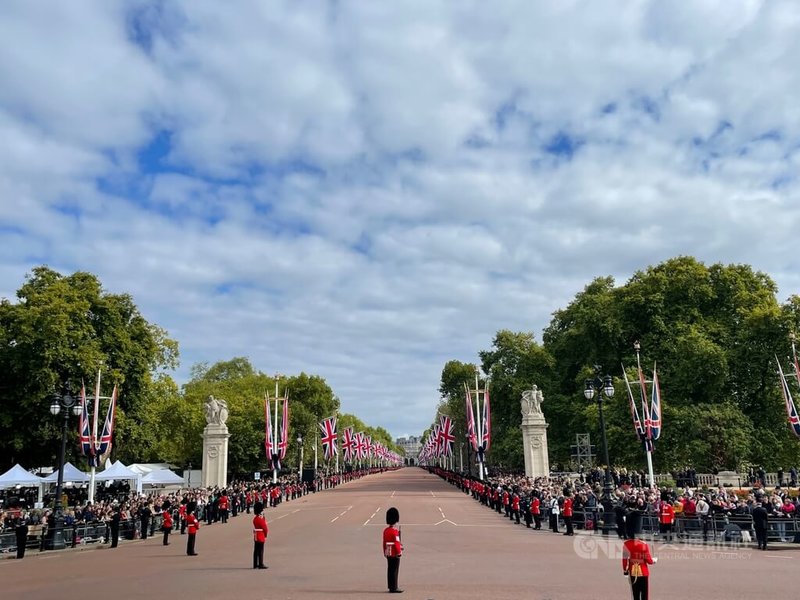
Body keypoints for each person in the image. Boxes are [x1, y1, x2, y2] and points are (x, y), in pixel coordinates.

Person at [622, 512, 656, 600]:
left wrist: (625, 571)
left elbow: (625, 560)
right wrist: (654, 561)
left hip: (632, 571)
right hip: (643, 571)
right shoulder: (643, 544)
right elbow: (649, 560)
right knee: (644, 594)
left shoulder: (626, 544)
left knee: (635, 594)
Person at [383, 507, 403, 594]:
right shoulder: (394, 531)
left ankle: (390, 586)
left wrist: (384, 551)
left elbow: (384, 542)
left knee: (390, 569)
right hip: (394, 553)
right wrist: (399, 552)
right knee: (395, 570)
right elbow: (397, 543)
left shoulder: (386, 530)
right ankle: (394, 587)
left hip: (388, 552)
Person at [252, 501, 268, 569]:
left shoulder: (255, 518)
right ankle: (261, 564)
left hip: (256, 535)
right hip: (260, 535)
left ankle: (255, 564)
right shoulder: (260, 519)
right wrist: (265, 535)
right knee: (261, 550)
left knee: (256, 550)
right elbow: (265, 528)